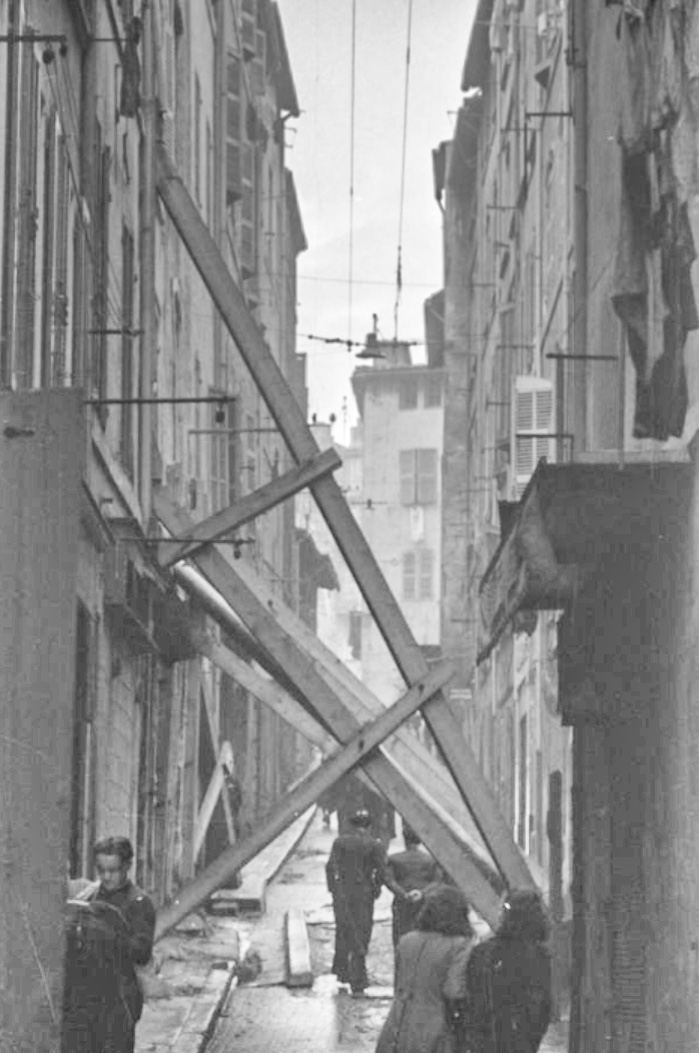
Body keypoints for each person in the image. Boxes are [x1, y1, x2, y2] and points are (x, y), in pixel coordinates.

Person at [64, 836, 156, 1053]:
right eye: (101, 870)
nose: (106, 876)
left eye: (113, 870)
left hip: (119, 998)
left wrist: (108, 929)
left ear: (127, 866)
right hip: (85, 997)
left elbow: (142, 953)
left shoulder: (139, 903)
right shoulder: (90, 894)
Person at [375, 884, 475, 1053]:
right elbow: (453, 990)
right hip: (433, 1026)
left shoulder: (407, 941)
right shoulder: (460, 944)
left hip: (397, 1024)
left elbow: (398, 984)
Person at [459, 889, 552, 1053]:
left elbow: (470, 994)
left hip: (486, 1037)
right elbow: (543, 1005)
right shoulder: (539, 955)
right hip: (522, 1039)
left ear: (505, 915)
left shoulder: (483, 952)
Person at [325, 807, 385, 996]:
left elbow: (330, 867)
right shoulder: (375, 845)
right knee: (362, 931)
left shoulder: (340, 842)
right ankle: (358, 978)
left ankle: (342, 973)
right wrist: (376, 890)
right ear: (369, 826)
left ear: (351, 825)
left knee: (343, 929)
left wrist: (334, 890)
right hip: (364, 893)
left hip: (343, 892)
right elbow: (381, 872)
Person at [383, 824, 443, 952]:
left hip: (401, 902)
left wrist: (403, 894)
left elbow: (389, 880)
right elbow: (437, 881)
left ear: (404, 839)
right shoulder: (430, 859)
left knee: (400, 934)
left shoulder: (394, 859)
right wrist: (422, 893)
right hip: (425, 902)